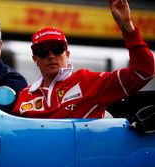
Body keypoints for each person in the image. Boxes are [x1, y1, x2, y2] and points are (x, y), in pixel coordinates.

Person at [11, 0, 154, 118]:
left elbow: (144, 72)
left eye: (57, 49)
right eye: (42, 52)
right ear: (35, 59)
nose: (51, 55)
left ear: (67, 55)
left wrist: (127, 27)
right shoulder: (25, 94)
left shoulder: (89, 82)